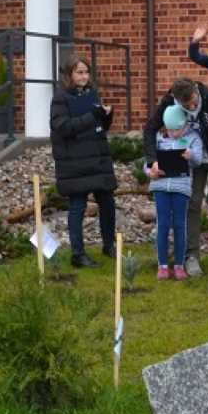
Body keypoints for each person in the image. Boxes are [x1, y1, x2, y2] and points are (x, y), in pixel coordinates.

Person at [143, 76, 208, 265]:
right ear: (176, 99)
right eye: (186, 105)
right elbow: (150, 128)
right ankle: (191, 255)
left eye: (193, 102)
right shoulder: (170, 101)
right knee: (192, 203)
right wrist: (152, 161)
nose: (191, 107)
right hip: (193, 159)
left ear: (196, 91)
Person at [49, 55, 117, 269]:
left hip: (97, 158)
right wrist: (92, 116)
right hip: (75, 161)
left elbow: (100, 126)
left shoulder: (91, 93)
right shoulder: (60, 98)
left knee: (107, 203)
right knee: (77, 206)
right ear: (69, 74)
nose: (84, 76)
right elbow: (63, 127)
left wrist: (106, 115)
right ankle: (78, 254)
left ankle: (109, 245)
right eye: (79, 72)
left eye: (86, 72)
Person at [147, 102, 205, 280]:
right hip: (160, 187)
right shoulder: (158, 139)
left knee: (180, 224)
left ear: (185, 124)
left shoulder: (193, 138)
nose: (173, 133)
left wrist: (191, 155)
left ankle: (179, 264)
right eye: (169, 129)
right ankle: (162, 265)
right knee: (163, 224)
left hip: (181, 187)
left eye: (177, 129)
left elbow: (198, 161)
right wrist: (151, 171)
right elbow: (147, 163)